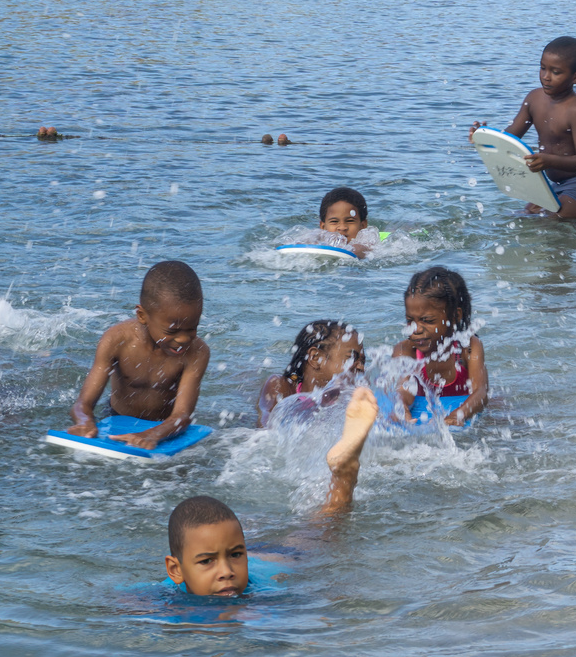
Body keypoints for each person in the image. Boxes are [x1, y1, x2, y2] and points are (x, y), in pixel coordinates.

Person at [163, 401, 377, 597]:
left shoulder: (264, 597)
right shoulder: (158, 597)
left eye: (236, 555)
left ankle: (344, 476)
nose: (226, 572)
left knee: (325, 524)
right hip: (258, 553)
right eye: (207, 561)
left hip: (277, 562)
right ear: (176, 570)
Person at [66, 260, 210, 450]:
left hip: (166, 428)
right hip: (116, 417)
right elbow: (83, 403)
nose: (183, 339)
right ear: (142, 315)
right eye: (172, 331)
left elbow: (182, 415)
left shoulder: (196, 353)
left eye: (192, 328)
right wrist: (84, 421)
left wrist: (154, 434)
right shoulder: (117, 341)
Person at [472, 36, 576, 220]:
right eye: (543, 68)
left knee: (546, 225)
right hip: (552, 185)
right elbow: (510, 137)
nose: (546, 77)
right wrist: (484, 136)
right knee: (521, 219)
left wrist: (549, 160)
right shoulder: (534, 99)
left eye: (556, 72)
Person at [392, 267, 487, 427]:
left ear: (455, 316)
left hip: (462, 407)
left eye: (427, 321)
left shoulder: (467, 347)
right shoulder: (406, 350)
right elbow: (403, 389)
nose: (416, 329)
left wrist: (458, 414)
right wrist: (401, 408)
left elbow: (481, 393)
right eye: (410, 320)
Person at [256, 319, 364, 428]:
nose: (361, 367)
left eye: (363, 361)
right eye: (352, 358)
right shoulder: (281, 386)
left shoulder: (350, 400)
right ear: (315, 358)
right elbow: (266, 425)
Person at [316, 187, 381, 257]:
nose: (342, 227)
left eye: (350, 221)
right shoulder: (317, 238)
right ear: (323, 227)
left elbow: (361, 249)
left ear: (363, 225)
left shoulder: (367, 242)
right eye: (334, 221)